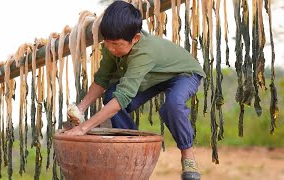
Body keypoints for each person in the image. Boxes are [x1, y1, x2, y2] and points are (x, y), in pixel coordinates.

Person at [66, 1, 205, 179]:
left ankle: (188, 156)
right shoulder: (111, 46)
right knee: (110, 96)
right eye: (107, 43)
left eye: (116, 44)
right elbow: (102, 79)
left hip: (184, 74)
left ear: (136, 38)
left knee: (172, 105)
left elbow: (123, 97)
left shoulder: (144, 52)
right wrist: (81, 108)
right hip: (153, 76)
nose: (110, 48)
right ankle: (131, 149)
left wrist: (83, 129)